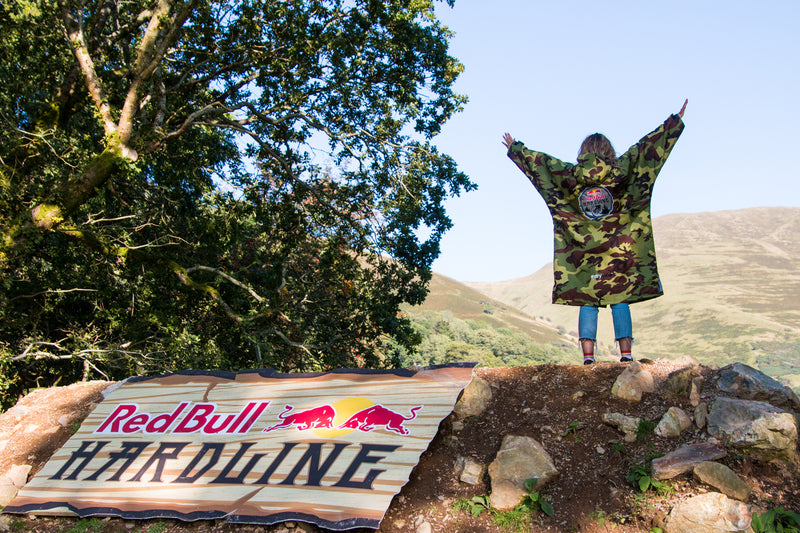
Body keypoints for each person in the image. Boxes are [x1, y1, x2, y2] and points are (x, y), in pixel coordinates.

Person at [502, 100, 687, 365]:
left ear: (584, 151)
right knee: (620, 297)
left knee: (587, 297)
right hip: (619, 254)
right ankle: (626, 354)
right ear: (609, 151)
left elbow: (543, 165)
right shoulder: (624, 171)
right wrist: (673, 124)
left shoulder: (568, 176)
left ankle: (588, 358)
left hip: (582, 254)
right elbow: (647, 150)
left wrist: (516, 149)